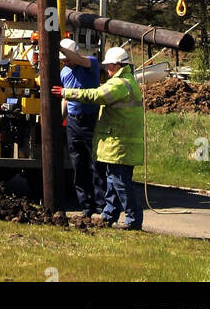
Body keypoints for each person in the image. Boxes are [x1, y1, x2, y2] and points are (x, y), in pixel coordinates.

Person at [52, 45, 145, 230]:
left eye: (109, 66)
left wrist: (66, 92)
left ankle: (133, 220)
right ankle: (108, 215)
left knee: (120, 183)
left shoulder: (120, 84)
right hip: (116, 141)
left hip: (121, 142)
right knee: (112, 180)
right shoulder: (122, 81)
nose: (106, 69)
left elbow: (96, 95)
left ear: (118, 65)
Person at [58, 39, 106, 218]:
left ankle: (101, 205)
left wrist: (58, 45)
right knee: (78, 165)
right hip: (73, 122)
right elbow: (65, 98)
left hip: (90, 121)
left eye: (66, 57)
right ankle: (86, 205)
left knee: (96, 164)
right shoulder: (64, 72)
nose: (64, 61)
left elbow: (77, 59)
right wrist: (59, 121)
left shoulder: (90, 64)